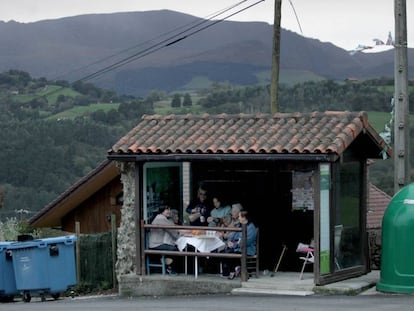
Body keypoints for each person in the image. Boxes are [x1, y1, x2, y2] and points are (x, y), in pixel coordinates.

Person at [221, 210, 257, 279]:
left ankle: (234, 271)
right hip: (238, 247)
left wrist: (234, 245)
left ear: (245, 217)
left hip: (247, 249)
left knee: (229, 253)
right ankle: (234, 270)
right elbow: (232, 236)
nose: (239, 218)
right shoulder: (240, 225)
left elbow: (246, 242)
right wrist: (230, 242)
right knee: (223, 252)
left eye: (240, 216)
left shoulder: (251, 228)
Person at [149, 205, 180, 275]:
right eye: (166, 210)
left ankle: (168, 265)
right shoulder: (161, 218)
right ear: (162, 210)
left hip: (157, 243)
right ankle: (170, 268)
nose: (169, 211)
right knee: (175, 249)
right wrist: (178, 236)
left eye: (169, 209)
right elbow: (172, 229)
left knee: (174, 248)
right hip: (156, 244)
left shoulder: (161, 217)